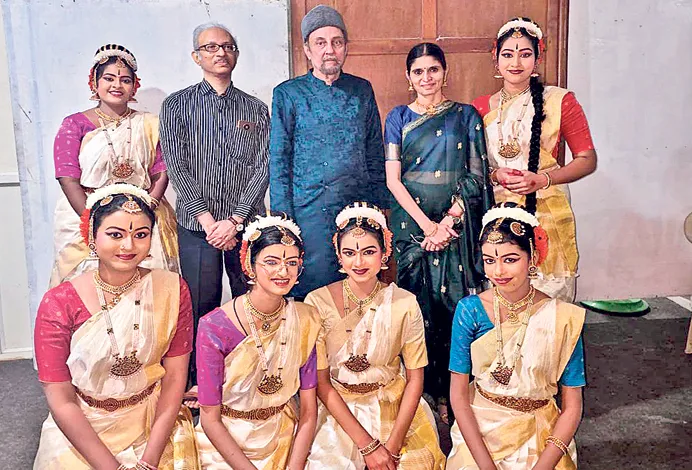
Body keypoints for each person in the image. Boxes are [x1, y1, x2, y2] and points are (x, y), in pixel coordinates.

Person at [34, 184, 198, 469]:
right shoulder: (59, 303)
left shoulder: (172, 289)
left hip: (153, 423)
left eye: (141, 234)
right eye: (115, 234)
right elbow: (60, 398)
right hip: (83, 429)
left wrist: (149, 460)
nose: (128, 246)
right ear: (92, 236)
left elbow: (174, 378)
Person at [384, 42, 494, 422]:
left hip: (455, 227)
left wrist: (448, 222)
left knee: (453, 308)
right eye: (418, 71)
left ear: (445, 72)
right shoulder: (398, 117)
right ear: (408, 77)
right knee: (416, 309)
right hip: (412, 228)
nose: (426, 78)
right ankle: (422, 392)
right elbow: (393, 180)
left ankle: (453, 394)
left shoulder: (466, 116)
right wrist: (428, 227)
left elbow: (476, 175)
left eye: (433, 69)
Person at [160, 22, 270, 394]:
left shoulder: (255, 108)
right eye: (210, 47)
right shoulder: (176, 105)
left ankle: (248, 376)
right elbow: (177, 166)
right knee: (200, 304)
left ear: (236, 53)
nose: (220, 53)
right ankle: (198, 384)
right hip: (197, 227)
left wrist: (235, 220)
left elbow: (263, 167)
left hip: (245, 226)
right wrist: (209, 222)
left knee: (250, 299)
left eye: (227, 46)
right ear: (196, 56)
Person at [305, 203, 445, 470]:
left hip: (394, 406)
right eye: (349, 253)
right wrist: (368, 446)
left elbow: (415, 379)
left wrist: (392, 447)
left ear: (385, 253)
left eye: (369, 252)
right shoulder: (317, 301)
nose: (358, 263)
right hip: (338, 409)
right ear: (339, 256)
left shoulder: (404, 302)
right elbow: (321, 383)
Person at [447, 203, 586, 469]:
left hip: (540, 433)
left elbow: (572, 407)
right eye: (490, 260)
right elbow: (458, 396)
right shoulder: (470, 310)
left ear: (533, 257)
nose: (498, 271)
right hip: (480, 431)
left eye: (510, 259)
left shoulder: (562, 318)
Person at [472, 17, 597, 301]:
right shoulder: (479, 107)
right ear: (495, 58)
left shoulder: (560, 101)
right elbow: (472, 165)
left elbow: (587, 159)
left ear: (537, 58)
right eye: (507, 54)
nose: (516, 62)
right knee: (502, 290)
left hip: (546, 207)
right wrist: (495, 175)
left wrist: (543, 179)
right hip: (495, 209)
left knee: (546, 295)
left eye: (525, 54)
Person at [269, 5, 390, 299]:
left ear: (345, 47)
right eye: (320, 43)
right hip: (308, 212)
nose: (329, 50)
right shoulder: (289, 94)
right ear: (307, 50)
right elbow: (279, 158)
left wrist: (378, 208)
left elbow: (374, 151)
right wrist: (284, 219)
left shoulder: (361, 89)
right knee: (314, 292)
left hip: (357, 208)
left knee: (359, 288)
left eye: (337, 42)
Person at [194, 213, 320, 469]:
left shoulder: (305, 319)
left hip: (285, 435)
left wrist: (294, 466)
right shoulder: (214, 326)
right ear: (249, 265)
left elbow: (309, 410)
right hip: (226, 444)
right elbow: (209, 419)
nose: (283, 271)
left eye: (292, 263)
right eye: (271, 262)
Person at [51, 44, 178, 287]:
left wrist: (146, 211)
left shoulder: (150, 124)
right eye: (109, 78)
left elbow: (161, 171)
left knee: (147, 288)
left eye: (125, 80)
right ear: (94, 83)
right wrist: (92, 222)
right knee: (89, 287)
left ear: (134, 86)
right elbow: (67, 177)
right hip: (84, 213)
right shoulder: (74, 124)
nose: (117, 85)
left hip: (142, 213)